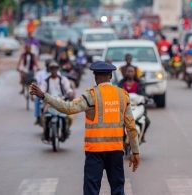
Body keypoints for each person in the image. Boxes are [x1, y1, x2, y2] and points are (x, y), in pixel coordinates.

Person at [30, 61, 140, 195]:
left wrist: (44, 96)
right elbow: (131, 127)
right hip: (116, 151)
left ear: (95, 77)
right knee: (118, 190)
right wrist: (135, 152)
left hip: (95, 153)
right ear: (110, 76)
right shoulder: (122, 95)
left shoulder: (91, 95)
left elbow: (68, 108)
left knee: (91, 191)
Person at [40, 61, 74, 141]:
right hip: (49, 103)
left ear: (58, 69)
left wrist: (70, 93)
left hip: (61, 101)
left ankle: (66, 130)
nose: (53, 71)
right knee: (44, 117)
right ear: (49, 70)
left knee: (69, 117)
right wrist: (42, 96)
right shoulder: (45, 81)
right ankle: (45, 132)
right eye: (52, 69)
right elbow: (42, 91)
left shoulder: (63, 79)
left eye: (55, 69)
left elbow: (68, 89)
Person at [118, 66, 150, 143]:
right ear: (125, 73)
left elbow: (143, 94)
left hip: (137, 107)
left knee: (147, 121)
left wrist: (145, 98)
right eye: (128, 71)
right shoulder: (121, 83)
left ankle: (142, 136)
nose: (130, 73)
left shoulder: (140, 83)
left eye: (131, 71)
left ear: (135, 73)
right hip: (125, 107)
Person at [33, 59, 51, 125]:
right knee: (37, 99)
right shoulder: (40, 73)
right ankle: (38, 117)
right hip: (42, 93)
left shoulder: (57, 73)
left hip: (53, 93)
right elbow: (36, 81)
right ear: (46, 66)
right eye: (49, 65)